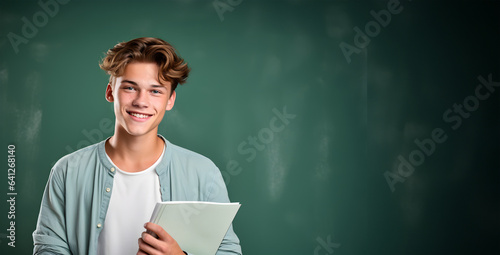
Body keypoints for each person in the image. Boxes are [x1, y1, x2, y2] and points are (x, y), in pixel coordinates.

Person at [32, 37, 242, 255]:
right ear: (110, 92)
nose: (141, 101)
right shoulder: (67, 171)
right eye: (130, 88)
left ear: (170, 100)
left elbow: (228, 252)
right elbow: (49, 250)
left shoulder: (203, 173)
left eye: (155, 91)